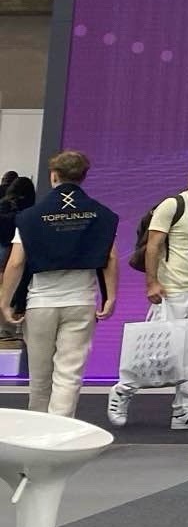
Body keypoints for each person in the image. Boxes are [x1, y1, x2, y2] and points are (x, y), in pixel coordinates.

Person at [105, 157, 188, 450]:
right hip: (171, 290)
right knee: (156, 350)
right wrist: (152, 283)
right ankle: (122, 390)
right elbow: (154, 245)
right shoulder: (172, 205)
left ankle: (184, 409)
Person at [0, 151, 118, 418]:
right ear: (84, 176)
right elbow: (110, 257)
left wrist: (4, 302)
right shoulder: (101, 215)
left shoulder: (30, 217)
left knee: (40, 377)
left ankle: (39, 432)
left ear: (53, 175)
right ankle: (62, 432)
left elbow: (16, 263)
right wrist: (110, 296)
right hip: (81, 302)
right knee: (69, 375)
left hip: (40, 303)